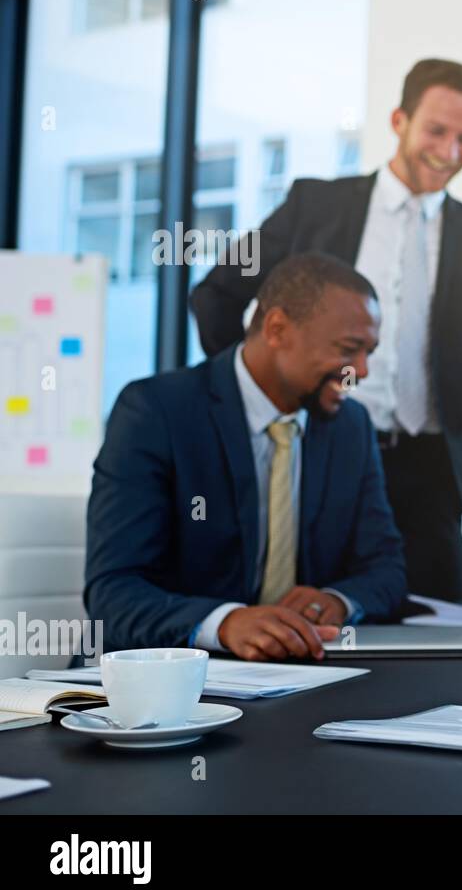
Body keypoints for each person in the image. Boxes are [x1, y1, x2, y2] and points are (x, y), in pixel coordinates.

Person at [189, 58, 462, 601]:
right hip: (322, 443)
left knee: (438, 624)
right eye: (437, 131)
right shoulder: (317, 205)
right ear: (399, 121)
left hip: (430, 469)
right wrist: (257, 396)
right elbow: (217, 295)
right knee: (317, 611)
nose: (450, 152)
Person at [86, 253, 405, 660]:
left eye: (369, 353)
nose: (361, 371)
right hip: (162, 683)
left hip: (296, 679)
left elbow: (387, 568)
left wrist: (338, 600)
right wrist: (225, 623)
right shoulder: (156, 412)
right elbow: (113, 592)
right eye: (349, 349)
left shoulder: (350, 427)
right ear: (276, 329)